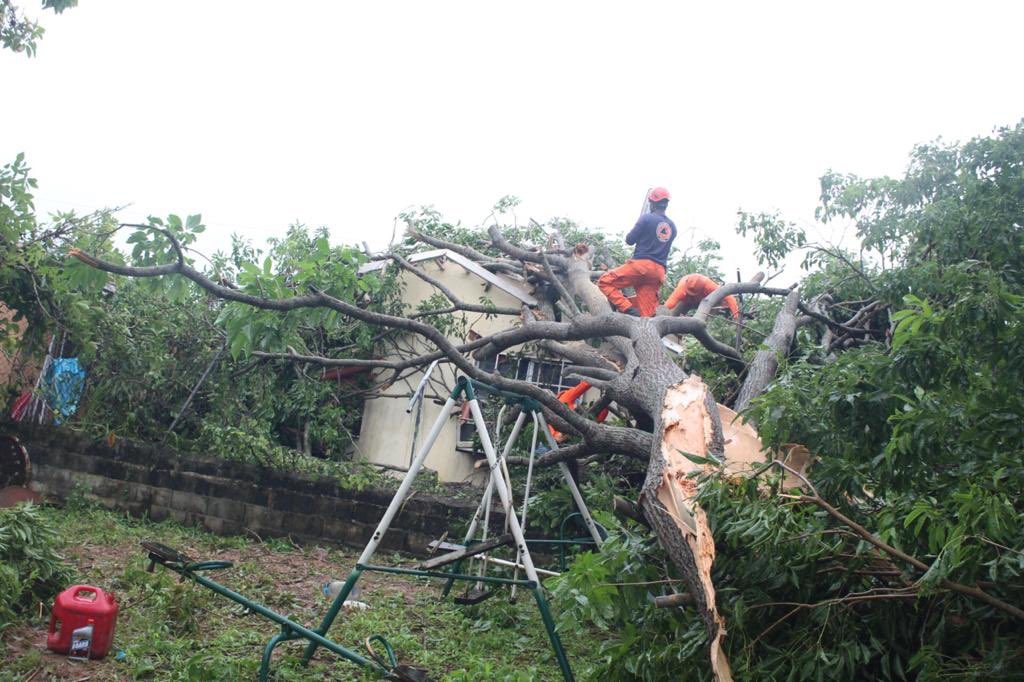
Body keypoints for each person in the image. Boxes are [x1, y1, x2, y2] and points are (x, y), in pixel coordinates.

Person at [597, 187, 677, 317]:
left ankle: (628, 309)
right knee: (647, 316)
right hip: (658, 273)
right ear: (666, 204)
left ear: (652, 202)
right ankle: (644, 330)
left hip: (641, 266)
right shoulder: (673, 227)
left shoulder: (646, 218)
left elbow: (629, 240)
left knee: (605, 281)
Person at [664, 273, 740, 320]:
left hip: (705, 301)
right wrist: (658, 314)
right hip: (686, 301)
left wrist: (736, 315)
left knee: (703, 317)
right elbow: (669, 304)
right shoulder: (681, 288)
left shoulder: (709, 286)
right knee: (673, 315)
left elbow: (729, 297)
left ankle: (703, 325)